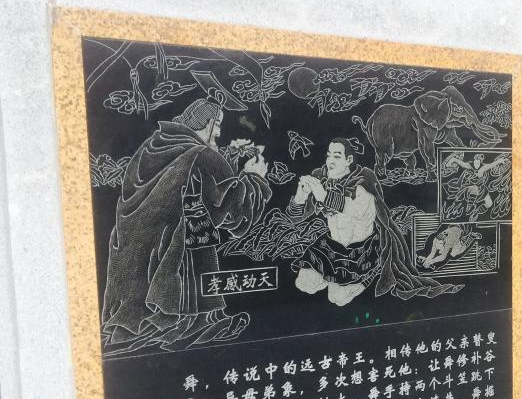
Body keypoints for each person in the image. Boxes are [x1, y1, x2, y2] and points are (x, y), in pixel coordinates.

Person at [101, 81, 271, 355]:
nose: (219, 133)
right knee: (195, 252)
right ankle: (193, 323)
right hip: (178, 259)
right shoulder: (201, 154)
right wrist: (253, 178)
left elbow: (187, 188)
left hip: (135, 258)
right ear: (207, 123)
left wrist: (228, 161)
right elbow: (231, 214)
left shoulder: (151, 148)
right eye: (217, 126)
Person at [288, 138, 462, 306]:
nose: (330, 161)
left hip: (359, 252)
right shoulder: (322, 179)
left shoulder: (364, 180)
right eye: (329, 155)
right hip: (330, 246)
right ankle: (333, 277)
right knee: (303, 284)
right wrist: (300, 197)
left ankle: (369, 274)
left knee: (337, 298)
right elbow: (295, 217)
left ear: (349, 160)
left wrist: (324, 196)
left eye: (337, 156)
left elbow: (356, 211)